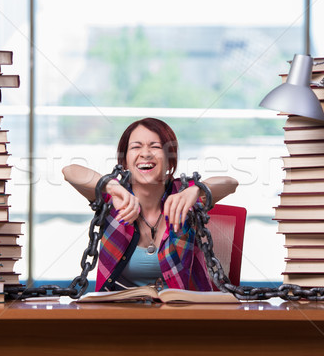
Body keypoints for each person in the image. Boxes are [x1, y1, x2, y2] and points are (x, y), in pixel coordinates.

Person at [62, 118, 238, 292]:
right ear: (124, 161)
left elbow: (230, 183)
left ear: (170, 160)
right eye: (136, 147)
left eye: (155, 146)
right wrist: (112, 186)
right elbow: (70, 171)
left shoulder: (185, 198)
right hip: (119, 314)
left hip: (179, 313)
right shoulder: (113, 199)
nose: (145, 153)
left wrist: (197, 190)